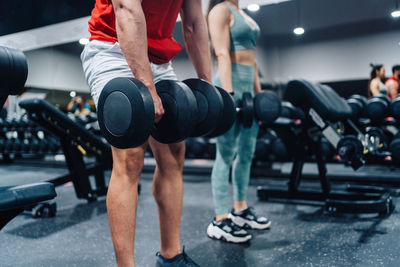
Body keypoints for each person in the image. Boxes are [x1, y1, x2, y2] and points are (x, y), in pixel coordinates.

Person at [80, 0, 211, 266]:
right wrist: (147, 88)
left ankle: (170, 255)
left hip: (159, 58)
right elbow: (126, 9)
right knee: (130, 155)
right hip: (113, 43)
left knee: (175, 151)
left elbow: (194, 23)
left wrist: (207, 87)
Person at [206, 0, 271, 244]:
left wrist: (259, 97)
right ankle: (221, 218)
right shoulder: (220, 10)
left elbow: (253, 61)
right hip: (229, 83)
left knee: (246, 152)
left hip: (248, 90)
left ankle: (240, 209)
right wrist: (228, 97)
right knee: (225, 153)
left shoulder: (244, 13)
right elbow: (221, 53)